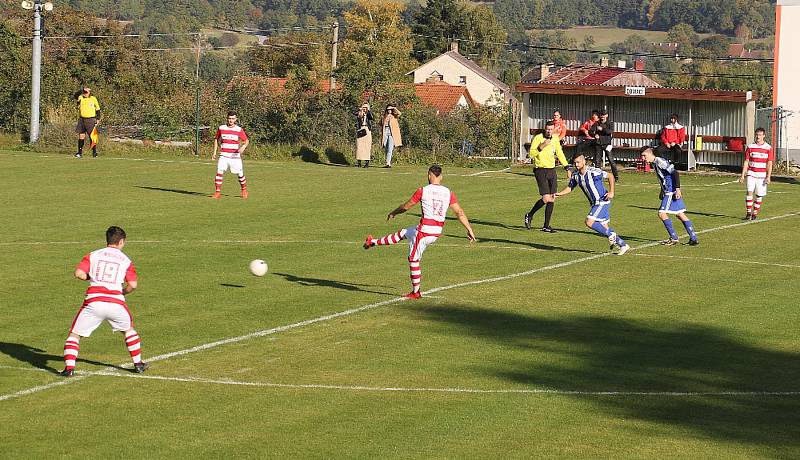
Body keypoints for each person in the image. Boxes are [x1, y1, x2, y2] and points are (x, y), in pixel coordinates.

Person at [363, 165, 476, 298]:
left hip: (424, 231)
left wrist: (394, 212)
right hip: (436, 230)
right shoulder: (448, 192)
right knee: (403, 233)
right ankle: (372, 242)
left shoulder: (423, 190)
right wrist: (469, 229)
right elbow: (459, 212)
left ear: (429, 175)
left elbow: (407, 206)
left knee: (413, 259)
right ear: (441, 177)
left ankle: (416, 292)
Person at [60, 226, 148, 376]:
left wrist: (91, 277)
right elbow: (133, 285)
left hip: (93, 303)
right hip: (116, 303)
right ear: (121, 242)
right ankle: (138, 364)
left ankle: (69, 369)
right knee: (128, 331)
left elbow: (79, 273)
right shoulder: (126, 260)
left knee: (74, 335)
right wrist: (122, 292)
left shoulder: (93, 255)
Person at [555, 153, 630, 255]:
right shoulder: (576, 175)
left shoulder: (593, 171)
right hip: (594, 203)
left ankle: (611, 234)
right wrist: (558, 194)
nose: (576, 164)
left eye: (578, 162)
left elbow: (610, 176)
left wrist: (612, 192)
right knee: (604, 227)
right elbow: (569, 188)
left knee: (589, 222)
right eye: (575, 162)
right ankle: (623, 245)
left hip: (602, 201)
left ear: (584, 161)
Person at [641, 147, 699, 245]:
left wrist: (677, 189)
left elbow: (675, 173)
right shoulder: (655, 163)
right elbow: (664, 177)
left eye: (644, 156)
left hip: (671, 191)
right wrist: (661, 190)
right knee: (680, 214)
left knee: (661, 213)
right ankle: (693, 238)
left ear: (650, 154)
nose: (643, 158)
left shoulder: (659, 161)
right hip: (668, 190)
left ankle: (674, 238)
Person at [525, 120, 569, 233]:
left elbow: (559, 153)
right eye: (547, 129)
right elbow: (530, 154)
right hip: (540, 170)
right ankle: (529, 215)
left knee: (552, 197)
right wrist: (541, 146)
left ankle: (546, 226)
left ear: (554, 130)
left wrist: (567, 167)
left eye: (551, 129)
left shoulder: (555, 139)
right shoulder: (538, 138)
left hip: (551, 170)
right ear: (545, 129)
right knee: (546, 198)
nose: (549, 131)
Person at [211, 111, 249, 199]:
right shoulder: (221, 128)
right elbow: (216, 139)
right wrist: (214, 152)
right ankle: (217, 192)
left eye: (233, 119)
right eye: (229, 118)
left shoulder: (238, 129)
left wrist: (243, 146)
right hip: (223, 155)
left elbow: (246, 140)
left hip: (234, 156)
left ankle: (244, 190)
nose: (231, 120)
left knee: (240, 174)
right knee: (219, 171)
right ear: (227, 118)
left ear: (235, 119)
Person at [739, 127, 774, 220]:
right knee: (749, 192)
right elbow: (746, 161)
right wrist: (743, 175)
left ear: (764, 136)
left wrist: (768, 176)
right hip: (751, 173)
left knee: (759, 195)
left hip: (762, 175)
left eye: (760, 135)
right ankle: (748, 213)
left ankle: (754, 213)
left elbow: (769, 163)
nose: (758, 137)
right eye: (757, 135)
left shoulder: (768, 148)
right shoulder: (750, 147)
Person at [75, 87, 101, 158]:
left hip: (91, 119)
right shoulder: (81, 97)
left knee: (92, 136)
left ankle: (94, 152)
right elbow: (75, 95)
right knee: (81, 136)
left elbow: (98, 109)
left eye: (86, 92)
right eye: (84, 92)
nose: (85, 93)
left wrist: (98, 118)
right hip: (82, 119)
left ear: (90, 92)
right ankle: (79, 153)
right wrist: (82, 90)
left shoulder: (93, 99)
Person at [594, 110, 619, 181]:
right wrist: (594, 134)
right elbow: (591, 131)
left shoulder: (610, 123)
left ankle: (616, 176)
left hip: (607, 144)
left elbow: (610, 131)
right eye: (601, 115)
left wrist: (602, 129)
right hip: (598, 144)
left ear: (606, 115)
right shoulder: (597, 123)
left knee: (611, 160)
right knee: (597, 161)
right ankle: (597, 176)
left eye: (604, 115)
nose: (602, 116)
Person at [355, 103, 374, 168]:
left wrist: (368, 111)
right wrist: (360, 110)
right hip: (360, 129)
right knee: (359, 146)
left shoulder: (368, 114)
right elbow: (354, 113)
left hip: (367, 129)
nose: (364, 109)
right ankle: (359, 162)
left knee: (367, 146)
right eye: (364, 107)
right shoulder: (360, 113)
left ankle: (367, 162)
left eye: (366, 107)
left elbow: (371, 117)